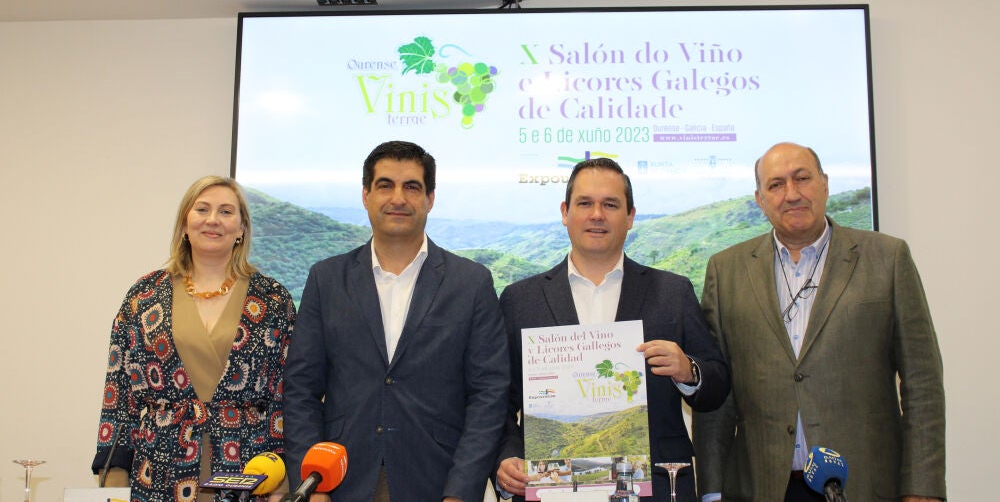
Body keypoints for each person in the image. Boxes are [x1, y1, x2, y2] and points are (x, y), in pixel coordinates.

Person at [692, 142, 946, 501]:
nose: (791, 194)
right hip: (761, 488)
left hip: (864, 486)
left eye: (802, 178)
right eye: (776, 185)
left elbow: (923, 383)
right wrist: (711, 491)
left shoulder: (887, 259)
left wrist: (922, 488)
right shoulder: (726, 270)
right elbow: (717, 395)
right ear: (760, 199)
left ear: (824, 184)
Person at [283, 140, 509, 502]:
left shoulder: (471, 282)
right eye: (385, 185)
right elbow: (300, 389)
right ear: (366, 195)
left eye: (412, 187)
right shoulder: (327, 279)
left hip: (438, 480)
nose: (398, 198)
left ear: (430, 198)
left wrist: (461, 491)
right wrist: (311, 485)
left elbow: (489, 393)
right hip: (341, 480)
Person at [494, 158, 730, 502]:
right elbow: (497, 399)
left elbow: (718, 384)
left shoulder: (673, 292)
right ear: (565, 212)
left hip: (657, 487)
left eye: (610, 204)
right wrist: (506, 457)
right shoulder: (520, 300)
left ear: (630, 216)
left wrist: (688, 370)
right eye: (585, 203)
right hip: (552, 487)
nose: (597, 215)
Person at [92, 176, 297, 502]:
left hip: (247, 468)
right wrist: (114, 474)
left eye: (226, 211)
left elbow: (284, 396)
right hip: (159, 468)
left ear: (242, 228)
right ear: (185, 224)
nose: (213, 219)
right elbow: (118, 392)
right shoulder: (144, 295)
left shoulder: (272, 300)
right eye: (202, 209)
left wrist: (281, 479)